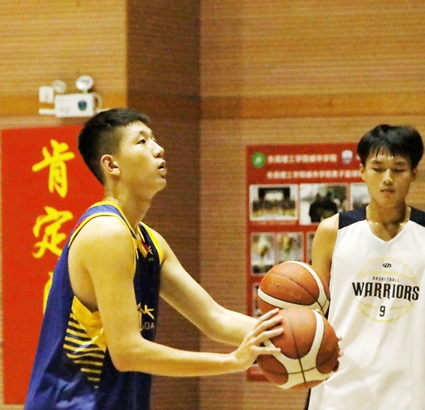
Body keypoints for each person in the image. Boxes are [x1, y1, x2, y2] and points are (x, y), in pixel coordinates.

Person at [24, 108, 283, 410]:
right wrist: (232, 361)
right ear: (112, 165)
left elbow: (215, 318)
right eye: (142, 141)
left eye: (154, 140)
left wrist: (294, 335)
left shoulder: (149, 242)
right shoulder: (106, 232)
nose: (158, 149)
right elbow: (127, 352)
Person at [306, 125, 425, 410]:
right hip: (336, 393)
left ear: (414, 174)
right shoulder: (332, 231)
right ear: (362, 171)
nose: (387, 178)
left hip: (409, 395)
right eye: (378, 168)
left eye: (398, 169)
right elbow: (314, 319)